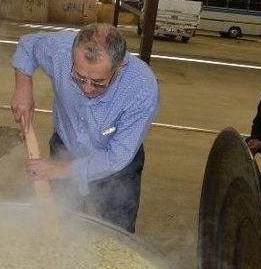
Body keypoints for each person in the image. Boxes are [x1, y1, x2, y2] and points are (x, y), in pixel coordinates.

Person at [10, 23, 159, 233]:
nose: (87, 88)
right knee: (62, 219)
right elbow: (28, 45)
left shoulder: (142, 88)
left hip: (115, 163)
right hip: (67, 144)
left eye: (98, 82)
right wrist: (23, 87)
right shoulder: (60, 49)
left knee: (116, 232)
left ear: (120, 67)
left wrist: (61, 169)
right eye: (79, 78)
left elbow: (116, 157)